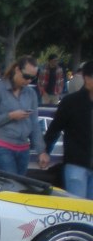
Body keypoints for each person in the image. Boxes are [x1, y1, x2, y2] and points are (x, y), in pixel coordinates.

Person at [0, 55, 48, 177]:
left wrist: (41, 151)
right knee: (11, 187)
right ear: (17, 69)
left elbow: (34, 124)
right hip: (0, 146)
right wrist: (10, 116)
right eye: (26, 76)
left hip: (23, 149)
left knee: (19, 189)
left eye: (33, 78)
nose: (28, 81)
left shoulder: (30, 93)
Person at [44, 60, 93, 198]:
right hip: (75, 163)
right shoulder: (71, 102)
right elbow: (55, 128)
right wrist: (45, 151)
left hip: (79, 163)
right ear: (87, 79)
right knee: (76, 209)